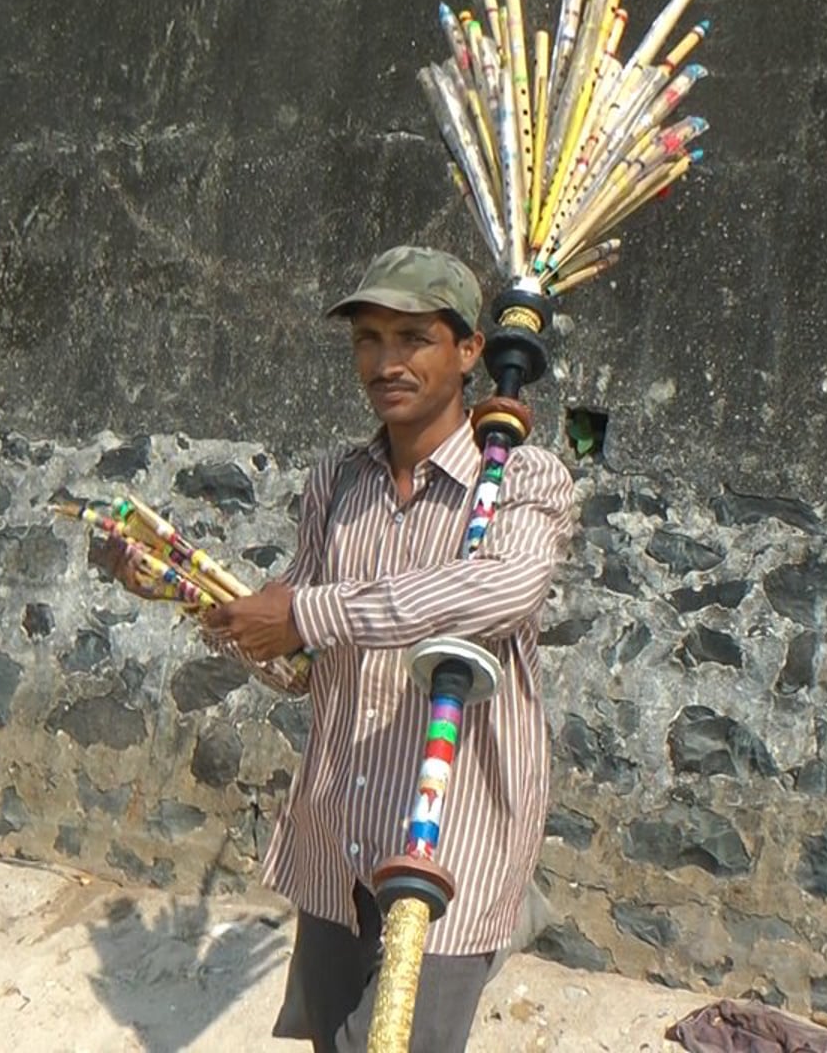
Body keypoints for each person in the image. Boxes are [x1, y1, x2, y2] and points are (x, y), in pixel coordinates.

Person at [202, 245, 576, 1052]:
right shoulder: (336, 482)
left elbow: (501, 592)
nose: (385, 361)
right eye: (368, 340)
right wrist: (225, 616)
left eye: (412, 337)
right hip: (340, 835)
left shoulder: (518, 481)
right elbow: (303, 664)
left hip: (448, 842)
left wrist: (309, 612)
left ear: (470, 349)